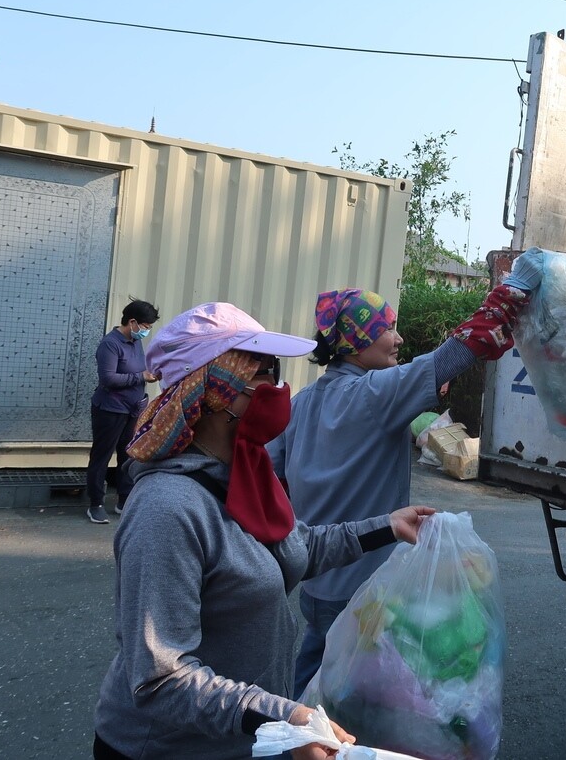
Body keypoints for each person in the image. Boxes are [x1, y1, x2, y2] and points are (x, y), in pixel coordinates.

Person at [92, 301, 435, 760]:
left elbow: (296, 548)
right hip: (165, 750)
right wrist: (284, 717)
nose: (275, 389)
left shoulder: (247, 473)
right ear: (214, 390)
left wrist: (388, 526)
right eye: (259, 375)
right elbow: (161, 677)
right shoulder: (167, 510)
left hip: (242, 742)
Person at [268, 249, 545, 697]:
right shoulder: (375, 393)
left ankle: (289, 737)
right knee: (361, 698)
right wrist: (514, 292)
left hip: (315, 577)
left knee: (315, 674)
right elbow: (458, 353)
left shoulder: (302, 403)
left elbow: (269, 475)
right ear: (357, 341)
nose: (398, 339)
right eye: (387, 329)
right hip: (364, 584)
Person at [85, 298, 160, 524]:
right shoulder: (111, 344)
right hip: (110, 409)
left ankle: (124, 499)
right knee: (102, 455)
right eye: (145, 327)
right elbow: (108, 378)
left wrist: (151, 372)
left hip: (133, 410)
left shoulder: (135, 342)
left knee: (128, 455)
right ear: (133, 322)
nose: (146, 332)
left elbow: (137, 368)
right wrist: (141, 377)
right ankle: (96, 503)